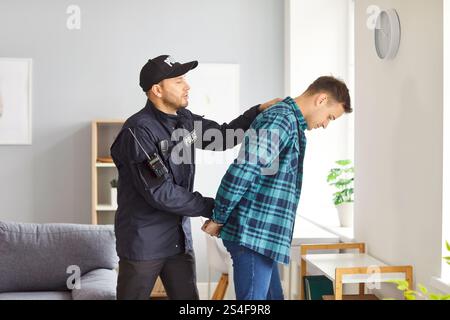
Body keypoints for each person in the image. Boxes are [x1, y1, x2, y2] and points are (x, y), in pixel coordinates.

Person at [110, 55, 279, 300]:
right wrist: (216, 207)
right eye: (178, 81)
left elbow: (224, 136)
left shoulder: (184, 120)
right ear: (157, 90)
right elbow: (162, 193)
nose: (187, 86)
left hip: (178, 241)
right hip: (143, 243)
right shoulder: (137, 132)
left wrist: (257, 112)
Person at [202, 76, 353, 300]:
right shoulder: (280, 120)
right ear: (321, 100)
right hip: (252, 234)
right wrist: (218, 217)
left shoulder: (290, 123)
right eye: (329, 117)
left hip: (262, 236)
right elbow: (243, 171)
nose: (325, 124)